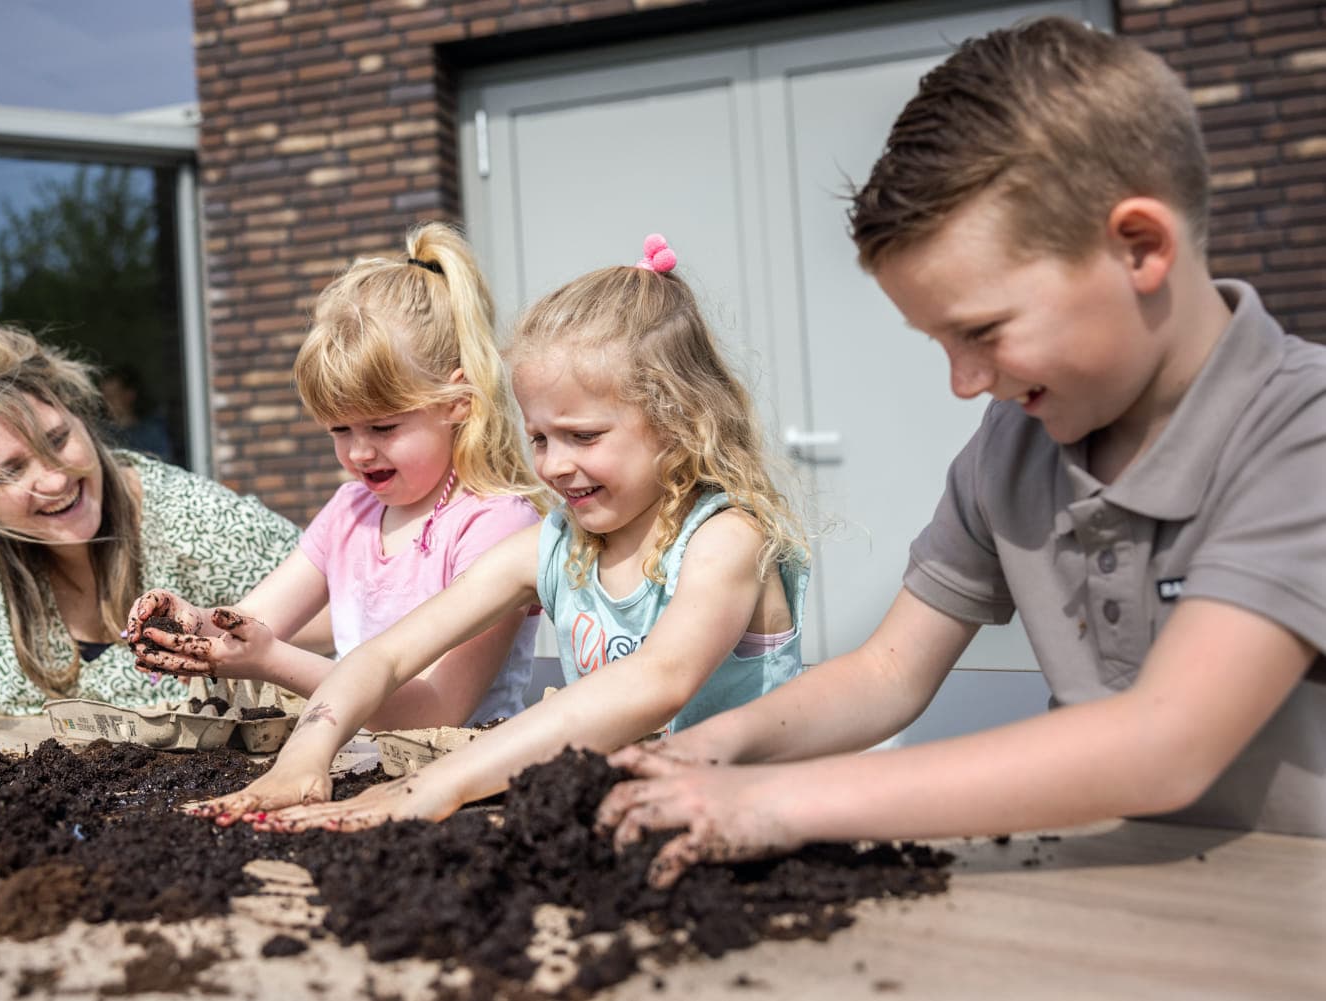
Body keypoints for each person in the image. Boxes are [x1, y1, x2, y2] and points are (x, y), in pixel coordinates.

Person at [594, 16, 1326, 888]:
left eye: (981, 331)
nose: (963, 381)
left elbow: (1166, 742)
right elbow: (889, 668)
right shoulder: (1013, 446)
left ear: (1140, 247)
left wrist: (778, 804)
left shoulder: (1300, 429)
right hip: (1102, 889)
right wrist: (718, 749)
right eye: (940, 340)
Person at [179, 234, 811, 826]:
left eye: (584, 436)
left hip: (754, 815)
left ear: (679, 421)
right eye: (538, 437)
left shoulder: (726, 538)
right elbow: (389, 653)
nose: (555, 465)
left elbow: (657, 682)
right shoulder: (552, 546)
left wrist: (441, 782)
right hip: (638, 810)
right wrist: (307, 751)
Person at [127, 222, 548, 727]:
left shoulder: (497, 525)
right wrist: (188, 624)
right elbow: (249, 622)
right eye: (340, 429)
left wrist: (272, 660)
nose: (360, 451)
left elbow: (434, 709)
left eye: (384, 426)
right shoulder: (350, 512)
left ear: (458, 403)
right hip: (349, 759)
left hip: (463, 776)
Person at [0, 326, 305, 721]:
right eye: (12, 470)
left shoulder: (187, 512)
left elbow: (346, 601)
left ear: (82, 419)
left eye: (58, 439)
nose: (54, 479)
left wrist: (234, 631)